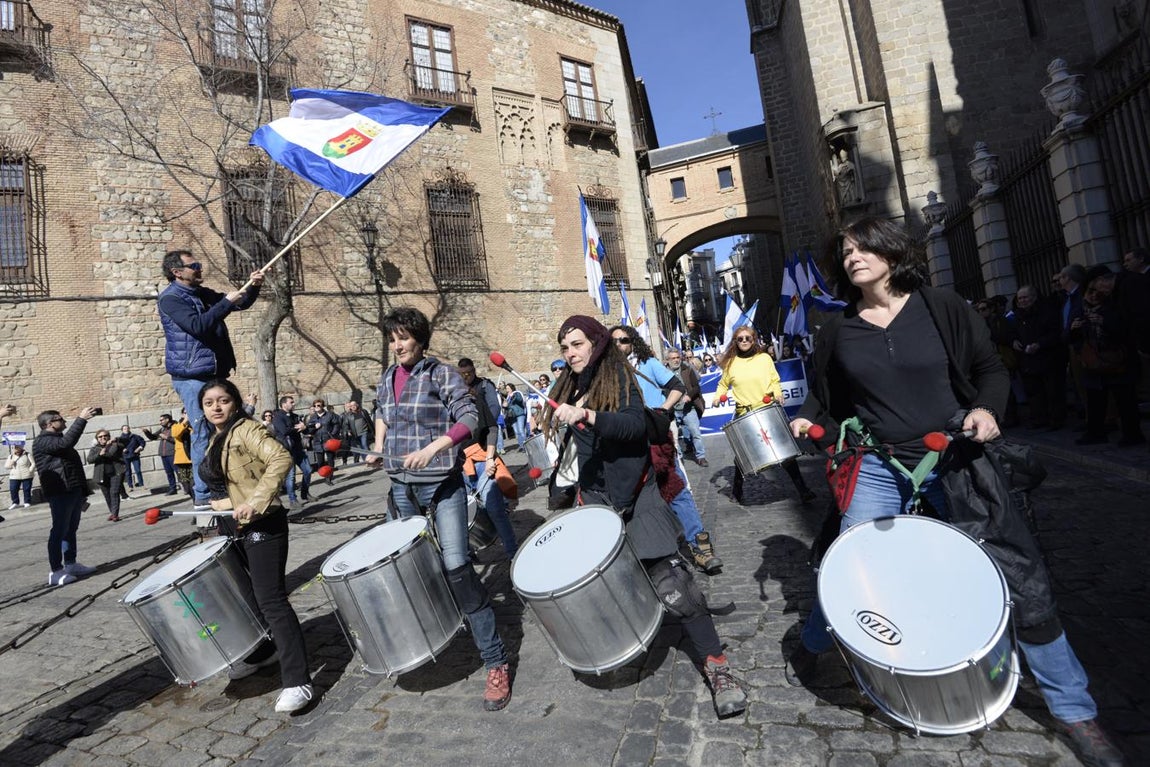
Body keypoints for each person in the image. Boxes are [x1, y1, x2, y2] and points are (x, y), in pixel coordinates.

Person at [785, 216, 1123, 767]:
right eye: (845, 251)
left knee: (1015, 571)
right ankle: (816, 644)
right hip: (878, 462)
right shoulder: (838, 330)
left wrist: (988, 410)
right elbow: (826, 399)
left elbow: (989, 369)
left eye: (864, 246)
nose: (853, 256)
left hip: (953, 457)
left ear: (893, 252)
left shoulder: (940, 306)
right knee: (853, 563)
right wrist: (806, 419)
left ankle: (1075, 711)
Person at [543, 315, 747, 718]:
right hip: (599, 504)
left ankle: (718, 668)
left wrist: (587, 416)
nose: (570, 353)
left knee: (676, 587)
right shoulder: (571, 384)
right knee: (612, 584)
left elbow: (635, 426)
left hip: (639, 498)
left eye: (578, 344)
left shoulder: (618, 379)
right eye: (565, 347)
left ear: (597, 344)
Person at [367, 307, 512, 711]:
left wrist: (433, 448)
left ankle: (495, 660)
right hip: (399, 489)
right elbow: (382, 414)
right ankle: (430, 635)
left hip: (441, 486)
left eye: (404, 338)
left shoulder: (439, 373)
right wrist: (379, 449)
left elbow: (469, 416)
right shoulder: (385, 377)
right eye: (392, 339)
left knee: (458, 569)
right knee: (406, 569)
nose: (397, 345)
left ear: (420, 340)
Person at [198, 379, 313, 713]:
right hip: (229, 525)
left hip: (261, 523)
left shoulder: (246, 430)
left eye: (223, 400)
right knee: (246, 598)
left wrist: (256, 501)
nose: (216, 407)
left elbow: (280, 458)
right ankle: (264, 651)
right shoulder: (216, 437)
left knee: (271, 600)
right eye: (209, 402)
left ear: (235, 403)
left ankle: (298, 681)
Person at [609, 325, 723, 574]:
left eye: (624, 340)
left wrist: (662, 409)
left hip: (654, 439)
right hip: (626, 445)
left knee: (677, 490)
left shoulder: (647, 363)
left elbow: (677, 386)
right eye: (614, 341)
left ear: (633, 342)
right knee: (629, 501)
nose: (619, 344)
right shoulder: (606, 372)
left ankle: (700, 547)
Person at [157, 249, 264, 510]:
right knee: (203, 431)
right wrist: (225, 302)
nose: (199, 268)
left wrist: (253, 287)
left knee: (228, 427)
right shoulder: (170, 299)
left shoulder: (201, 293)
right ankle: (204, 495)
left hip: (214, 373)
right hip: (191, 376)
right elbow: (198, 325)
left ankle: (231, 482)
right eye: (193, 265)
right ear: (177, 272)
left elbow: (240, 303)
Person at [714, 326, 816, 504]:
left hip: (766, 409)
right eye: (740, 339)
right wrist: (717, 398)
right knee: (743, 454)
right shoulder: (730, 363)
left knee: (785, 451)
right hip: (744, 413)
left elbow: (774, 379)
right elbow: (723, 385)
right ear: (735, 342)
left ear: (753, 340)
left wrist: (777, 392)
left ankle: (803, 490)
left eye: (748, 338)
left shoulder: (764, 358)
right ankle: (737, 490)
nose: (744, 341)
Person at [1072, 269, 1145, 447]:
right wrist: (1074, 329)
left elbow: (1125, 328)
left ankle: (1132, 434)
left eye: (1097, 291)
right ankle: (1095, 432)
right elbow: (1068, 337)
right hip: (1093, 361)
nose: (1095, 295)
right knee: (1096, 400)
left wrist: (1103, 322)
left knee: (1125, 399)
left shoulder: (1114, 305)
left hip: (1116, 360)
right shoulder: (1081, 310)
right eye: (1091, 291)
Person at [32, 408, 99, 586]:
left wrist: (83, 492)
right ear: (48, 424)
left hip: (73, 490)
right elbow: (66, 444)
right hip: (60, 492)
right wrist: (81, 419)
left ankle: (71, 564)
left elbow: (71, 466)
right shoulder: (43, 441)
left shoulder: (58, 439)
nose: (64, 421)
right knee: (59, 530)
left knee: (71, 529)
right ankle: (56, 571)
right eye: (59, 419)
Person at [461, 372, 518, 559]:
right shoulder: (438, 410)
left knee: (494, 508)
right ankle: (468, 556)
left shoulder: (473, 402)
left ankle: (513, 554)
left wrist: (490, 458)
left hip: (481, 461)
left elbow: (492, 428)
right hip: (458, 467)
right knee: (461, 516)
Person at [665, 349, 708, 467]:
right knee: (675, 436)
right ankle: (679, 458)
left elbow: (696, 387)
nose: (676, 360)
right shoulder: (663, 372)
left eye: (677, 357)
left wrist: (689, 395)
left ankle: (701, 456)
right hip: (672, 410)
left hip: (688, 408)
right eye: (673, 358)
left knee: (695, 432)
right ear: (667, 360)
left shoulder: (687, 369)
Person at [272, 396, 311, 504]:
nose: (294, 404)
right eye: (291, 402)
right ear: (284, 404)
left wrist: (304, 427)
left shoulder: (295, 416)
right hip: (287, 449)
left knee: (308, 470)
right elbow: (284, 431)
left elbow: (303, 429)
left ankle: (305, 493)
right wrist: (297, 428)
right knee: (291, 476)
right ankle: (292, 500)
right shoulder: (278, 417)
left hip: (298, 448)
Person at [88, 429, 128, 522]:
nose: (103, 438)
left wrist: (115, 440)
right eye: (100, 437)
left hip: (116, 473)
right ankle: (113, 512)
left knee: (114, 492)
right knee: (107, 495)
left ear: (109, 436)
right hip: (101, 475)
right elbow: (89, 459)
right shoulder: (95, 449)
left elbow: (113, 452)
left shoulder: (115, 445)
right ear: (97, 439)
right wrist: (99, 454)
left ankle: (115, 514)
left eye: (105, 435)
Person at [143, 414, 180, 495]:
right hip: (164, 454)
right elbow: (153, 437)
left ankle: (187, 487)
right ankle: (173, 489)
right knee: (169, 472)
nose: (160, 422)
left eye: (161, 420)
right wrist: (147, 432)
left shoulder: (175, 427)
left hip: (173, 453)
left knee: (179, 471)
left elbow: (178, 440)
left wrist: (167, 437)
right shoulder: (163, 429)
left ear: (167, 420)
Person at [305, 400, 340, 482]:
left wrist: (333, 434)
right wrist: (314, 427)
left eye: (318, 405)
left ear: (323, 406)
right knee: (320, 462)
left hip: (328, 441)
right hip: (317, 441)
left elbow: (336, 424)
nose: (316, 407)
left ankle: (329, 477)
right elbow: (309, 429)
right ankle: (325, 474)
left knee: (330, 459)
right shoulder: (313, 417)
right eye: (315, 406)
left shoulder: (330, 415)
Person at [6, 442, 35, 513]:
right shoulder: (11, 456)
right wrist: (14, 459)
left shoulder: (27, 454)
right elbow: (7, 466)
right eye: (15, 448)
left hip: (26, 474)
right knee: (13, 489)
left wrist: (30, 470)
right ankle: (15, 502)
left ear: (21, 447)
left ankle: (27, 502)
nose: (16, 449)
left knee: (26, 489)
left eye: (18, 447)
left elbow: (33, 463)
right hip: (14, 475)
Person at [171, 409, 193, 497]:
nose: (187, 414)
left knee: (194, 482)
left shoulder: (194, 425)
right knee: (185, 482)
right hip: (182, 459)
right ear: (182, 415)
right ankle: (192, 497)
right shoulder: (176, 426)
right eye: (185, 413)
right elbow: (175, 434)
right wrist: (185, 422)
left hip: (193, 458)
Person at [503, 383, 528, 452]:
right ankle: (521, 446)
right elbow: (508, 407)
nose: (507, 390)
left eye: (508, 388)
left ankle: (526, 446)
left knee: (521, 430)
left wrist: (513, 396)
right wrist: (505, 406)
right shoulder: (507, 397)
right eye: (506, 388)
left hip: (519, 414)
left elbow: (519, 400)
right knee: (516, 432)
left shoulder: (517, 393)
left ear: (512, 388)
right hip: (512, 416)